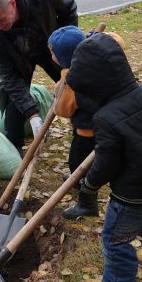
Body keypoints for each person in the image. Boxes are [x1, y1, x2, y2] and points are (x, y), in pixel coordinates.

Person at [65, 33, 142, 282]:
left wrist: (89, 185)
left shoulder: (105, 118)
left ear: (94, 86)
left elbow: (106, 163)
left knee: (116, 238)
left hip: (131, 195)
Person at [0, 0, 78, 151]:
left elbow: (69, 9)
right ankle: (14, 150)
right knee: (14, 103)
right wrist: (33, 116)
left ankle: (84, 131)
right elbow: (9, 74)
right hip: (19, 58)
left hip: (51, 49)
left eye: (0, 21)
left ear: (12, 4)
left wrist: (62, 42)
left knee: (74, 88)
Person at [47, 26, 100, 219]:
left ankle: (87, 202)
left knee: (78, 161)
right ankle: (81, 178)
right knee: (99, 159)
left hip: (87, 129)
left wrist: (59, 93)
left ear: (62, 59)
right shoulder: (98, 57)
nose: (50, 56)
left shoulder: (72, 80)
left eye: (52, 52)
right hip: (109, 120)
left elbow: (63, 109)